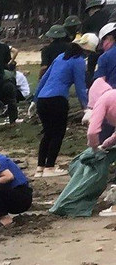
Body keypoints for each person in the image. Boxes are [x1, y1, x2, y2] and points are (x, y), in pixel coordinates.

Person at [34, 36, 90, 176]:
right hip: (57, 100)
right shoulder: (78, 61)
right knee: (58, 133)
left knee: (47, 132)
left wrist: (34, 99)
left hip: (43, 99)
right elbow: (80, 86)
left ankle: (40, 167)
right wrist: (86, 107)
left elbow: (44, 78)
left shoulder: (60, 57)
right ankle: (50, 167)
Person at [91, 22, 116, 106]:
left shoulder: (104, 57)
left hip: (111, 100)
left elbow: (99, 83)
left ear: (110, 38)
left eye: (103, 41)